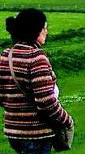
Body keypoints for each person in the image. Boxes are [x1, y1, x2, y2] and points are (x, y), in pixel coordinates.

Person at [0, 9, 74, 154]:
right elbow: (46, 102)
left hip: (13, 132)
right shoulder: (37, 58)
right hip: (36, 134)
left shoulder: (6, 56)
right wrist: (67, 120)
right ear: (36, 31)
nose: (46, 32)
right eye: (44, 28)